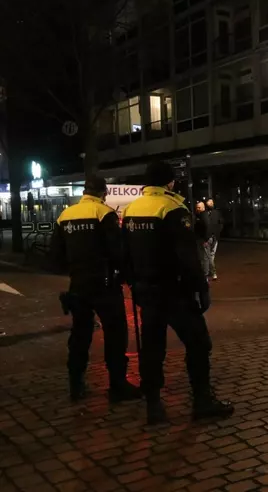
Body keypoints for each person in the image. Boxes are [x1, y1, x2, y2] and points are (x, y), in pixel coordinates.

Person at [122, 161, 233, 424]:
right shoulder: (172, 208)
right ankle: (202, 401)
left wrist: (133, 283)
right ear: (170, 182)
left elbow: (125, 253)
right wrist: (201, 287)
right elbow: (187, 255)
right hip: (174, 291)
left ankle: (153, 405)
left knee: (152, 348)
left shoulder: (131, 209)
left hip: (146, 292)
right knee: (198, 342)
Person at [50, 176, 141, 403]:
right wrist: (130, 277)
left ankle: (76, 384)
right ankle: (118, 385)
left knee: (80, 335)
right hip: (105, 286)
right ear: (103, 192)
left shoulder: (65, 215)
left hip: (78, 286)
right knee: (115, 334)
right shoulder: (104, 213)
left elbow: (56, 257)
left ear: (84, 192)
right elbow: (117, 252)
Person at [204, 199, 223, 280]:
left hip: (215, 237)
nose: (211, 203)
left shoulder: (217, 213)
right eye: (209, 202)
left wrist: (217, 232)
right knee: (207, 256)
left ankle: (208, 272)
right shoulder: (204, 213)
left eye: (212, 202)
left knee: (211, 255)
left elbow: (221, 223)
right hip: (207, 237)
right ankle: (211, 272)